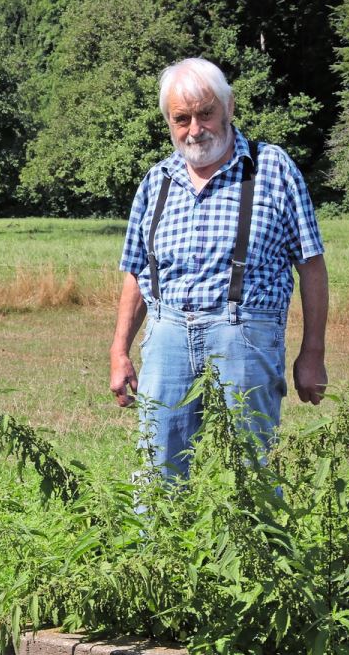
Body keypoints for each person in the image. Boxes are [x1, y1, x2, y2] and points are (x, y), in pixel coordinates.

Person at [109, 57, 329, 478]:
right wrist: (120, 351)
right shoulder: (157, 181)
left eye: (205, 113)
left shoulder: (272, 167)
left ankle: (256, 545)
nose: (195, 129)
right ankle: (159, 547)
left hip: (244, 333)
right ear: (169, 123)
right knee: (159, 473)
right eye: (182, 118)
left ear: (228, 108)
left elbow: (312, 267)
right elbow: (136, 272)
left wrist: (312, 353)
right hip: (167, 334)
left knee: (251, 471)